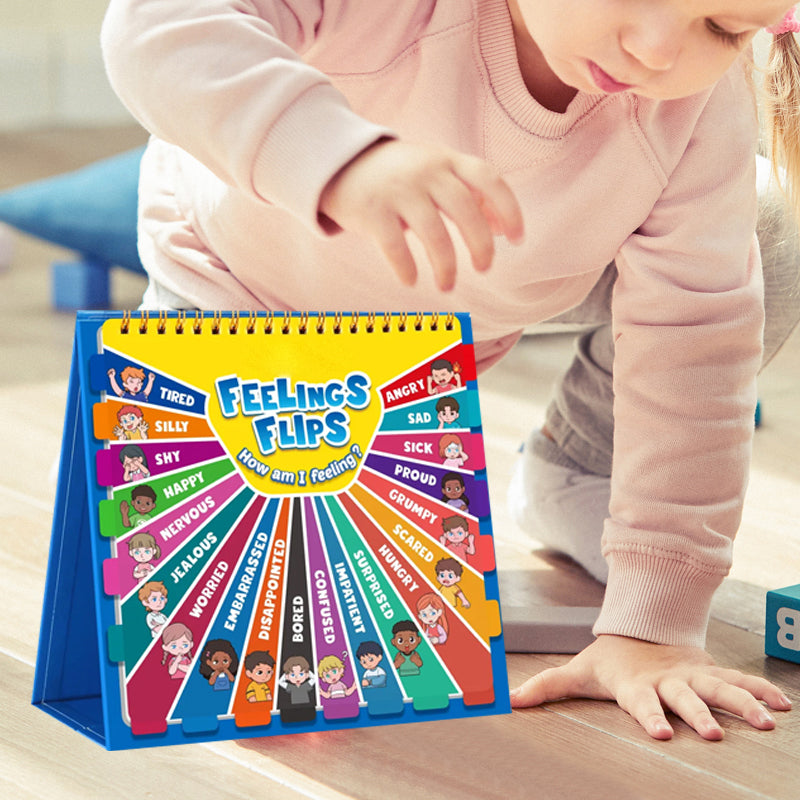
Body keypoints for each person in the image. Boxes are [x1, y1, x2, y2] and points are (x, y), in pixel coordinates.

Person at [101, 0, 800, 739]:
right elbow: (156, 24)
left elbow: (695, 341)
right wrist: (339, 158)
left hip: (460, 313)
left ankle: (579, 471)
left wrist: (654, 624)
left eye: (722, 28)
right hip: (239, 296)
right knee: (250, 646)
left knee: (763, 234)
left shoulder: (697, 106)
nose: (656, 50)